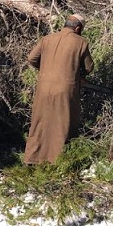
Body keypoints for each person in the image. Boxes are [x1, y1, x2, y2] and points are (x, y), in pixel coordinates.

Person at [24, 14, 94, 164]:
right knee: (63, 124)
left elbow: (31, 59)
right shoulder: (81, 42)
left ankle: (33, 158)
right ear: (78, 28)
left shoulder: (47, 39)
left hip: (43, 88)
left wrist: (45, 71)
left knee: (40, 122)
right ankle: (59, 160)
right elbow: (89, 67)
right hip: (66, 90)